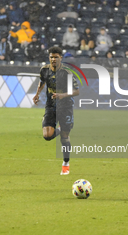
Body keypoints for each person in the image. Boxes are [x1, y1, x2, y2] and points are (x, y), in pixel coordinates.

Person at [32, 46, 79, 175]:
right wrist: (37, 94)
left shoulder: (67, 73)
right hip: (51, 105)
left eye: (56, 57)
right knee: (47, 136)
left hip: (66, 106)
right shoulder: (44, 70)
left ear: (61, 58)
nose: (53, 59)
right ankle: (58, 129)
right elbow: (42, 82)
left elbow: (77, 91)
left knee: (64, 137)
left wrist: (62, 95)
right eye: (51, 57)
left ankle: (66, 163)